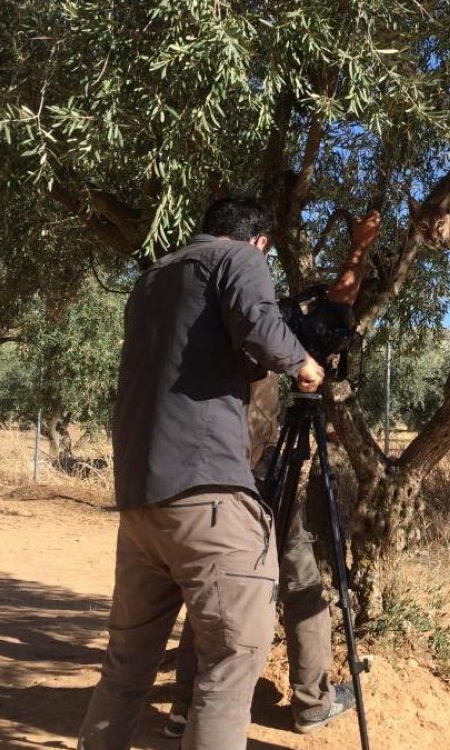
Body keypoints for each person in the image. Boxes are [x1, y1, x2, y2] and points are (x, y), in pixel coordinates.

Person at [77, 197, 325, 750]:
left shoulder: (153, 279)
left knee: (126, 666)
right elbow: (260, 326)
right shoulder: (239, 257)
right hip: (207, 496)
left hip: (141, 504)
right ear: (259, 241)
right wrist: (304, 364)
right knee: (231, 666)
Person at [162, 209, 382, 739]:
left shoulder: (200, 320)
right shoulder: (259, 321)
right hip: (258, 477)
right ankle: (313, 701)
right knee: (301, 581)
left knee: (214, 588)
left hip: (211, 478)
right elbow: (335, 311)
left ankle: (184, 706)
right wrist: (360, 247)